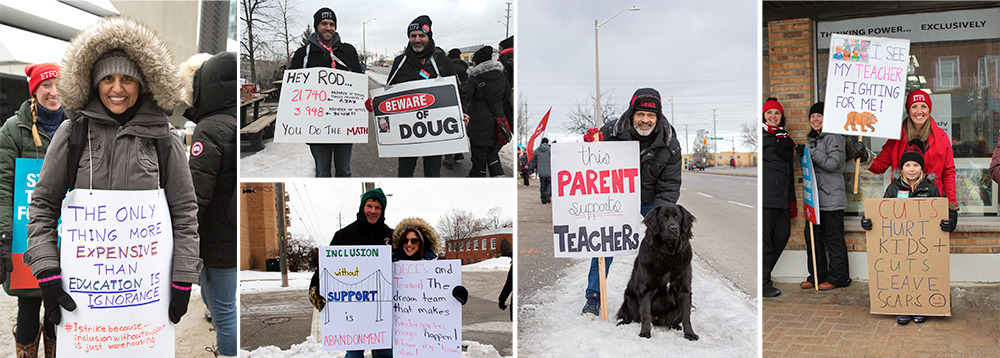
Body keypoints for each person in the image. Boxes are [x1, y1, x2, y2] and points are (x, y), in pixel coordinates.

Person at [24, 15, 201, 331]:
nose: (117, 89)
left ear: (142, 83)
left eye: (127, 79)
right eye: (108, 79)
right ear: (94, 82)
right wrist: (47, 270)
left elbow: (185, 214)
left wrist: (183, 278)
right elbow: (42, 208)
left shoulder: (164, 138)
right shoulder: (72, 134)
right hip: (84, 298)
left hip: (147, 299)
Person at [580, 88, 682, 315]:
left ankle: (672, 294)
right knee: (604, 243)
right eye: (640, 114)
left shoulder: (670, 143)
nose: (645, 120)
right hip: (615, 197)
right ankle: (594, 295)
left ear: (658, 117)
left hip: (651, 200)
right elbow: (587, 162)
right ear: (631, 112)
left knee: (667, 242)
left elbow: (669, 186)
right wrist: (588, 143)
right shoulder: (610, 132)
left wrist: (657, 223)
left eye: (651, 116)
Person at [1, 62, 66, 357]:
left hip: (66, 232)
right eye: (46, 86)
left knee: (59, 302)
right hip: (25, 233)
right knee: (29, 301)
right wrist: (3, 237)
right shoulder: (14, 129)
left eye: (58, 85)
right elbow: (3, 189)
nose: (54, 92)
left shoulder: (76, 125)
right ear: (35, 90)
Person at [181, 52, 238, 358]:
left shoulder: (209, 128)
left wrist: (180, 238)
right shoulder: (233, 122)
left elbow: (196, 196)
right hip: (230, 237)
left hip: (214, 242)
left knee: (224, 314)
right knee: (226, 308)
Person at [861, 140, 954, 325]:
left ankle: (921, 306)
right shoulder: (893, 188)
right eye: (907, 165)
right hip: (899, 246)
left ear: (922, 168)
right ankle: (902, 305)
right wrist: (868, 222)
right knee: (902, 273)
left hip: (924, 246)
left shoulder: (931, 188)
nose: (911, 169)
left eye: (916, 165)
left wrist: (947, 222)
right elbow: (882, 214)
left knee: (921, 273)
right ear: (901, 168)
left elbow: (940, 215)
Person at [308, 188, 393, 358]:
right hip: (353, 310)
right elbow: (326, 265)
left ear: (382, 210)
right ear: (363, 207)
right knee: (354, 355)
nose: (373, 211)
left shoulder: (391, 235)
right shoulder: (344, 236)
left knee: (385, 354)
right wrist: (315, 288)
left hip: (383, 310)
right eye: (369, 206)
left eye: (378, 207)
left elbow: (407, 265)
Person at [863, 90, 959, 230]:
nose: (919, 111)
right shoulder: (896, 138)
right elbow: (880, 166)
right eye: (914, 106)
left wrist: (951, 207)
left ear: (929, 109)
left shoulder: (942, 137)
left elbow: (948, 172)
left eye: (923, 106)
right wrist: (865, 157)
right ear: (908, 110)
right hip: (901, 206)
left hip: (932, 202)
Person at [289, 8, 364, 178]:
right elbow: (292, 89)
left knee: (344, 170)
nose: (328, 28)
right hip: (316, 127)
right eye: (324, 24)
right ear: (317, 26)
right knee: (322, 172)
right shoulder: (303, 55)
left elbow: (358, 83)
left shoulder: (348, 51)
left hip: (344, 126)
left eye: (331, 24)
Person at [388, 15, 464, 177]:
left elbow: (457, 92)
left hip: (434, 131)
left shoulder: (443, 61)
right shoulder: (400, 61)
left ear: (429, 37)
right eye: (413, 35)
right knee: (405, 172)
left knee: (432, 172)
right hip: (407, 130)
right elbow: (388, 91)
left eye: (421, 35)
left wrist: (462, 112)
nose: (417, 39)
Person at [798, 102, 856, 291]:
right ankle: (816, 275)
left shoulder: (834, 137)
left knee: (833, 239)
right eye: (812, 116)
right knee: (812, 238)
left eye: (819, 115)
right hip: (814, 199)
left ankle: (838, 277)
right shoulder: (811, 139)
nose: (815, 119)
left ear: (827, 118)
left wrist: (810, 153)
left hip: (831, 198)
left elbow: (834, 164)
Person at [460, 45, 512, 177]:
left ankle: (478, 178)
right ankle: (498, 176)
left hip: (479, 124)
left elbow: (464, 97)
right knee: (493, 153)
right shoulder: (501, 76)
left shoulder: (474, 79)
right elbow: (506, 95)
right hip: (497, 122)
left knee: (479, 155)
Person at [762, 97, 796, 298]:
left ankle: (764, 273)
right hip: (768, 197)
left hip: (782, 197)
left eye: (776, 113)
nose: (773, 116)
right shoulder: (764, 137)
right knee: (766, 240)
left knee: (782, 235)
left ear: (781, 116)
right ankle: (764, 282)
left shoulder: (783, 136)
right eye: (769, 113)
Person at [390, 218, 468, 299]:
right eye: (405, 240)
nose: (409, 244)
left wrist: (458, 294)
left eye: (414, 241)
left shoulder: (433, 266)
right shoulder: (391, 263)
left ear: (421, 243)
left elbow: (445, 291)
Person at [529, 138, 552, 204]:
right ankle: (548, 192)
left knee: (542, 185)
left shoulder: (537, 150)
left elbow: (533, 160)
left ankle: (543, 200)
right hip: (549, 171)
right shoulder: (550, 150)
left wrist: (532, 168)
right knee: (550, 183)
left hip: (541, 171)